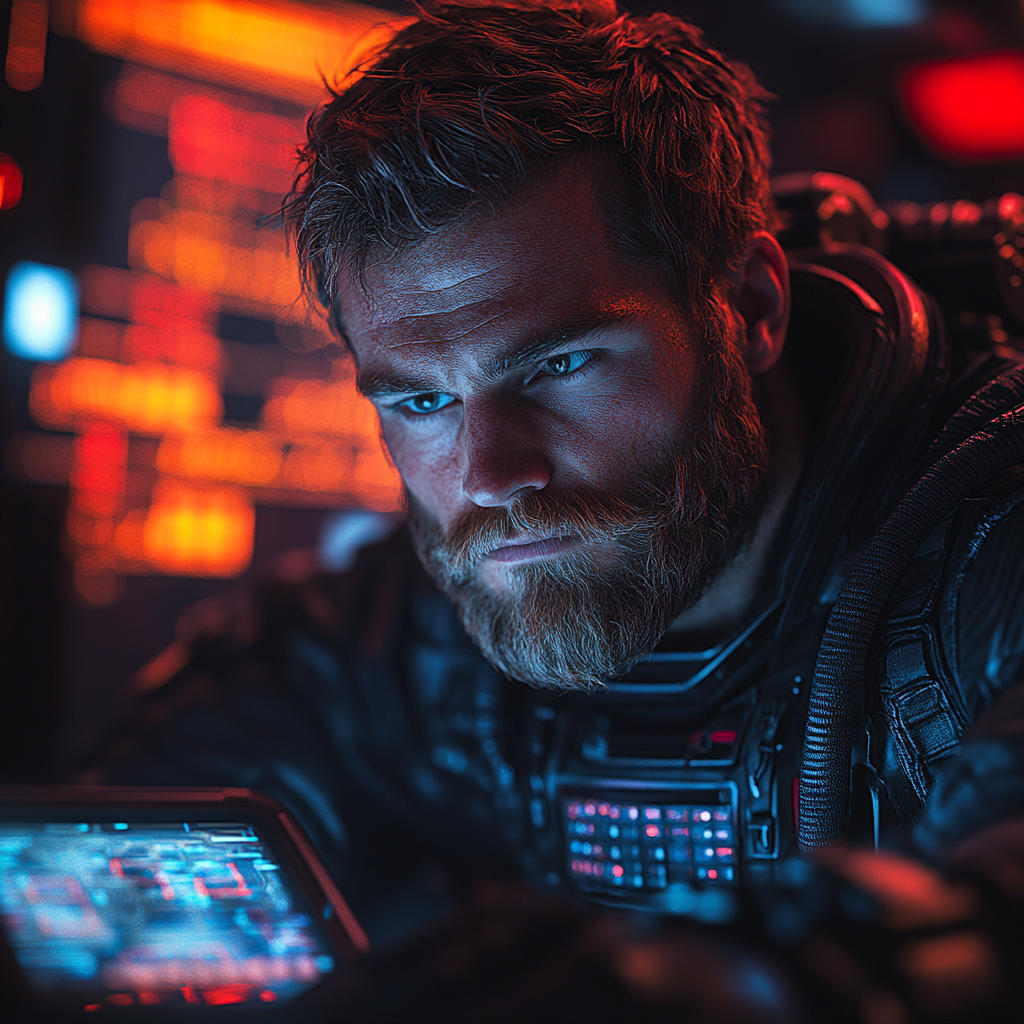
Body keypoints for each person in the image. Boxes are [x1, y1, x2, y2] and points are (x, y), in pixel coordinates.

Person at [85, 0, 1024, 938]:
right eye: (421, 401)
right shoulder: (417, 642)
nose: (490, 474)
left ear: (747, 307)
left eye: (557, 365)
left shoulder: (990, 543)